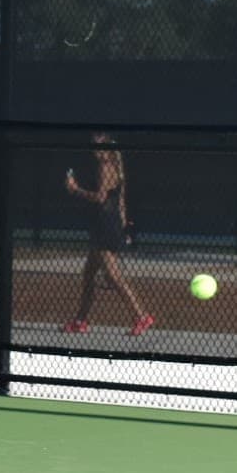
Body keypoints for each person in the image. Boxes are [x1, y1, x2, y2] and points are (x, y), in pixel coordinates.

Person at [62, 131, 154, 336]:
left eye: (97, 147)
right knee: (88, 276)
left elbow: (101, 198)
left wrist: (74, 189)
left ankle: (141, 316)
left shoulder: (105, 167)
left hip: (105, 225)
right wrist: (123, 227)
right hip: (107, 224)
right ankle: (81, 321)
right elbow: (120, 202)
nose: (94, 150)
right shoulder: (114, 168)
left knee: (113, 276)